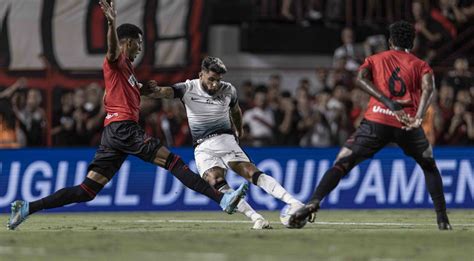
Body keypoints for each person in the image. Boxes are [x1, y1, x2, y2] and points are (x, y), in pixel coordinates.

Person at [7, 0, 247, 230]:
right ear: (128, 42)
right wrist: (111, 23)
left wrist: (144, 89)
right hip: (123, 128)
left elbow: (113, 94)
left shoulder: (127, 71)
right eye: (138, 43)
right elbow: (111, 52)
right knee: (173, 162)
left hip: (113, 134)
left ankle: (26, 208)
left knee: (87, 190)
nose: (140, 48)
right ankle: (222, 200)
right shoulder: (117, 60)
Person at [290, 21, 452, 230]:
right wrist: (419, 117)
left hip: (376, 121)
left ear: (390, 41)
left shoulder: (375, 59)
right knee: (429, 164)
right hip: (407, 124)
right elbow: (428, 88)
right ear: (412, 43)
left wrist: (387, 102)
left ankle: (314, 201)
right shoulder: (421, 64)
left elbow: (360, 79)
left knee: (343, 162)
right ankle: (442, 219)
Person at [143, 56, 305, 229]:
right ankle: (256, 218)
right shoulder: (188, 88)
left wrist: (239, 129)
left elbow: (236, 110)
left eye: (218, 80)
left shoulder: (229, 90)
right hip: (202, 148)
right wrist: (145, 89)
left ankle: (294, 203)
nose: (214, 85)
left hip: (224, 140)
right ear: (201, 74)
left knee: (250, 172)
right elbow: (162, 92)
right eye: (211, 79)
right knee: (215, 181)